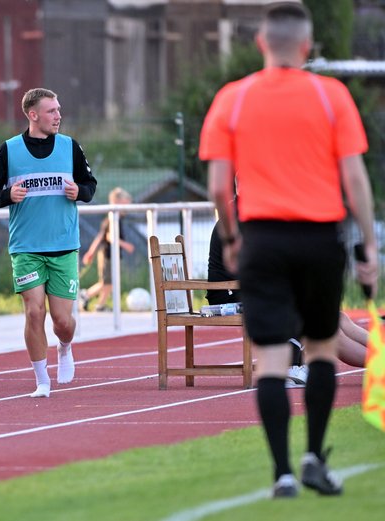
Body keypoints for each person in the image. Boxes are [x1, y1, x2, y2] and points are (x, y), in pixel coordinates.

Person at [200, 3, 378, 498]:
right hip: (318, 237)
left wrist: (231, 238)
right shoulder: (332, 96)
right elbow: (355, 178)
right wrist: (369, 244)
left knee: (273, 358)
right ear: (306, 46)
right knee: (320, 350)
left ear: (261, 43)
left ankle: (281, 471)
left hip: (261, 240)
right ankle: (314, 456)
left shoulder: (232, 99)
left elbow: (218, 187)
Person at [0, 87, 97, 398]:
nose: (58, 116)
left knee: (63, 321)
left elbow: (90, 185)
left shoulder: (70, 147)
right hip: (26, 248)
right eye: (51, 111)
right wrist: (8, 195)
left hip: (63, 247)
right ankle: (41, 379)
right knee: (34, 313)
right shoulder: (9, 150)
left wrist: (80, 192)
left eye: (58, 110)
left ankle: (65, 346)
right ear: (33, 115)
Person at [206, 221, 369, 384]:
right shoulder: (241, 221)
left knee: (338, 318)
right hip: (230, 295)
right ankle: (293, 366)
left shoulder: (257, 219)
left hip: (252, 289)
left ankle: (378, 352)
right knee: (321, 323)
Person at [80, 187, 134, 311]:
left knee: (110, 282)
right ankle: (87, 296)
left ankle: (98, 303)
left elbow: (101, 236)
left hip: (113, 254)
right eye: (126, 202)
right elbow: (108, 236)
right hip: (107, 254)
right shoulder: (112, 217)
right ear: (117, 201)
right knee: (107, 282)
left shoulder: (117, 217)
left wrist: (91, 252)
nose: (128, 206)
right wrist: (125, 245)